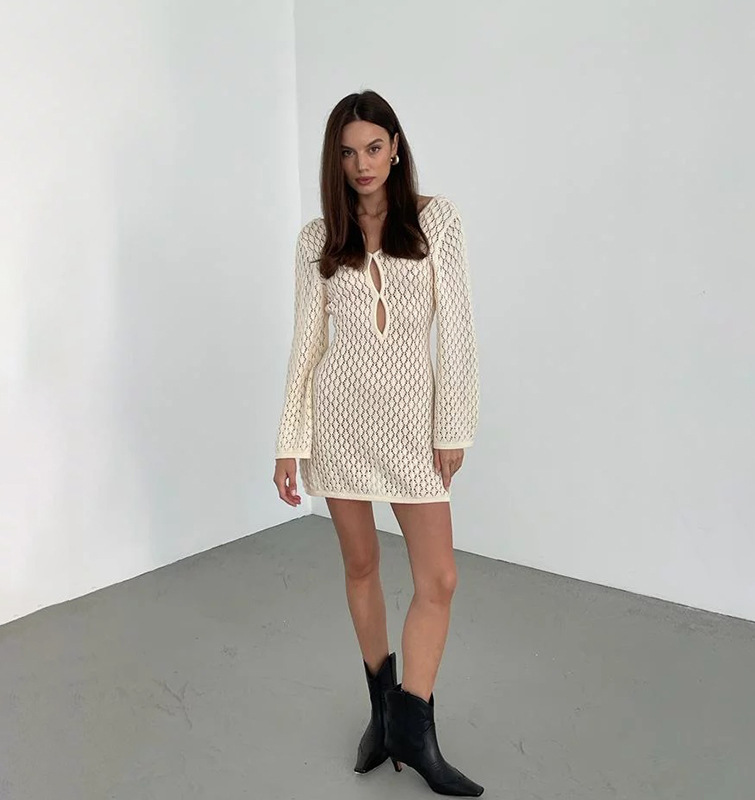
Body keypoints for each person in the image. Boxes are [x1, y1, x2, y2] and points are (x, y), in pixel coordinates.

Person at [272, 89, 482, 797]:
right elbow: (307, 344)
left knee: (438, 578)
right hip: (338, 425)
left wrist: (452, 425)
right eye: (347, 152)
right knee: (360, 566)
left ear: (395, 148)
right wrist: (289, 441)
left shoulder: (434, 220)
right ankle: (381, 716)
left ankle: (414, 727)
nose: (362, 164)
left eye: (373, 147)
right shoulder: (317, 239)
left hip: (412, 428)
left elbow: (457, 327)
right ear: (335, 161)